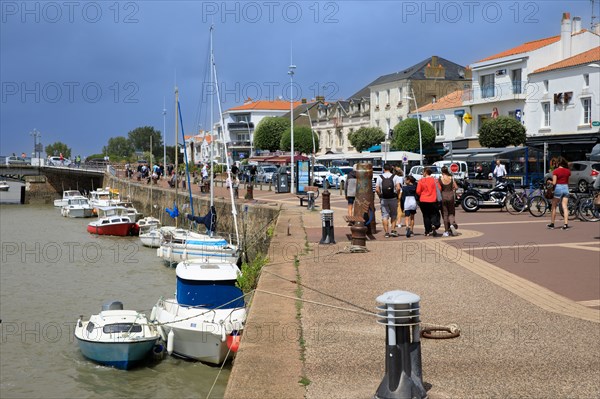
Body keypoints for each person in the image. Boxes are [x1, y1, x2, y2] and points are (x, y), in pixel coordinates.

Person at [375, 163, 403, 238]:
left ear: (384, 169)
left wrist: (380, 196)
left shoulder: (379, 177)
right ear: (391, 169)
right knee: (394, 214)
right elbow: (398, 188)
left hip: (384, 199)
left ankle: (386, 232)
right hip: (393, 198)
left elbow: (377, 189)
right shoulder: (395, 177)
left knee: (384, 215)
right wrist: (397, 195)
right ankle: (393, 230)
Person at [416, 167, 441, 237]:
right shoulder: (435, 180)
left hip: (423, 200)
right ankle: (434, 224)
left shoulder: (421, 181)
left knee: (426, 216)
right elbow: (439, 188)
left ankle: (427, 231)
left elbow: (418, 191)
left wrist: (422, 193)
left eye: (423, 172)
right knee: (434, 214)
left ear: (426, 172)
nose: (422, 173)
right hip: (433, 200)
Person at [547, 156, 571, 230]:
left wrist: (549, 181)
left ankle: (552, 223)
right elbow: (568, 181)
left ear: (558, 163)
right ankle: (566, 224)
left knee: (554, 206)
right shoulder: (568, 171)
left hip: (558, 188)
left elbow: (554, 183)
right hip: (566, 188)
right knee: (565, 206)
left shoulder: (556, 171)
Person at [439, 166, 459, 237]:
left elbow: (439, 188)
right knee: (451, 212)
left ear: (442, 172)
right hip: (451, 196)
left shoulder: (440, 179)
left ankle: (446, 231)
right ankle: (452, 224)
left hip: (443, 196)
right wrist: (453, 189)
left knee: (445, 214)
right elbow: (456, 187)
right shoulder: (451, 178)